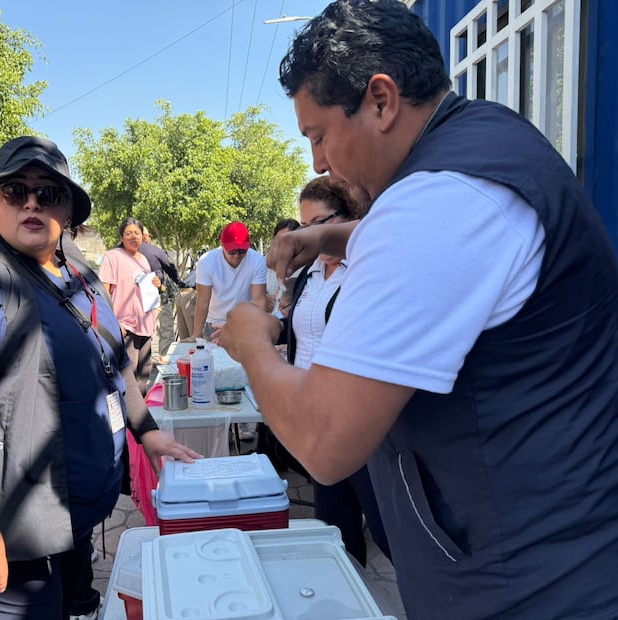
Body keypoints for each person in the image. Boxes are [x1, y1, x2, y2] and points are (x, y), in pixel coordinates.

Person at [220, 1, 618, 618]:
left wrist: (251, 344)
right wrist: (330, 236)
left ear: (381, 101)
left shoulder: (437, 200)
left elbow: (325, 440)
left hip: (530, 586)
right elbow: (439, 244)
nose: (319, 163)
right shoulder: (484, 143)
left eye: (319, 136)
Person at [0, 136, 198, 618]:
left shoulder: (79, 274)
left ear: (68, 211)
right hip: (0, 520)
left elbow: (117, 365)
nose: (32, 202)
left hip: (61, 512)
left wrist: (148, 432)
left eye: (49, 193)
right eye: (15, 191)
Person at [274, 177, 390, 567]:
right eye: (305, 226)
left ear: (348, 217)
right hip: (316, 420)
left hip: (357, 422)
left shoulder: (364, 271)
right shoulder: (309, 275)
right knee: (335, 531)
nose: (311, 236)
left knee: (388, 529)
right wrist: (267, 328)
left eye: (320, 223)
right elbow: (302, 329)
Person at [98, 217, 161, 395]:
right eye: (128, 233)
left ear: (143, 236)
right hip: (125, 327)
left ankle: (141, 411)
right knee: (128, 376)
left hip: (145, 326)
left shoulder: (143, 259)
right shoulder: (113, 257)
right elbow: (103, 292)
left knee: (144, 374)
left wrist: (155, 283)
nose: (133, 237)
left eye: (137, 233)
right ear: (121, 237)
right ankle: (128, 412)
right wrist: (113, 322)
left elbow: (144, 289)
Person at [190, 221, 267, 342]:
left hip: (244, 323)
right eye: (232, 251)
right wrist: (196, 335)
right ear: (222, 245)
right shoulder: (207, 261)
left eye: (242, 251)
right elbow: (203, 300)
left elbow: (259, 301)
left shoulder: (257, 261)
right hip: (215, 323)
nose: (237, 255)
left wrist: (257, 330)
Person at [140, 228, 185, 356]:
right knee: (166, 330)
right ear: (145, 236)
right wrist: (180, 283)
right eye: (149, 236)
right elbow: (171, 270)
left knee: (142, 332)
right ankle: (165, 360)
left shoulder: (123, 252)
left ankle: (142, 361)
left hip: (134, 298)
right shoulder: (154, 251)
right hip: (156, 295)